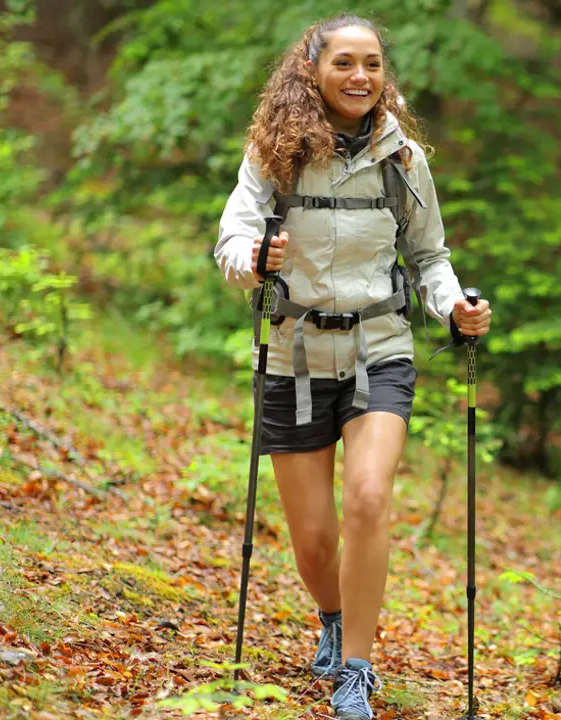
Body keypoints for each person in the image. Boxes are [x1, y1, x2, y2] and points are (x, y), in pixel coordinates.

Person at [213, 13, 491, 720]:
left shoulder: (403, 160)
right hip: (296, 356)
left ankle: (357, 670)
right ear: (313, 68)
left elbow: (430, 257)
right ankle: (333, 618)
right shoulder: (274, 151)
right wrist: (253, 259)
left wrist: (454, 307)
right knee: (312, 542)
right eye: (344, 62)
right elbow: (234, 237)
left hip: (378, 351)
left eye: (371, 63)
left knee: (368, 497)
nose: (360, 76)